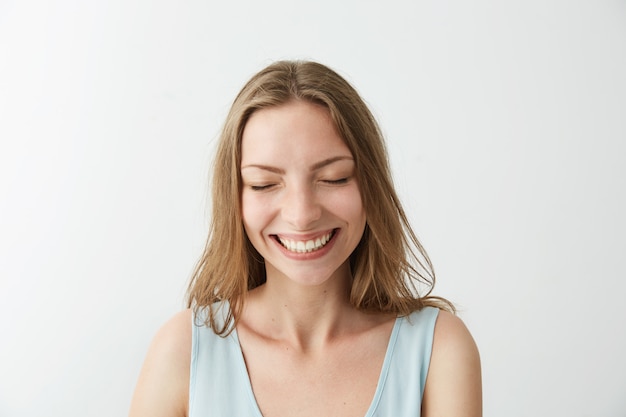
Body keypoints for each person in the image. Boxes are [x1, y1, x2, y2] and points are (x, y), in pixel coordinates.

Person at [128, 60, 482, 417]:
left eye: (333, 178)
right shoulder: (182, 350)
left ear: (371, 186)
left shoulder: (439, 348)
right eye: (265, 184)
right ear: (234, 198)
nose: (301, 214)